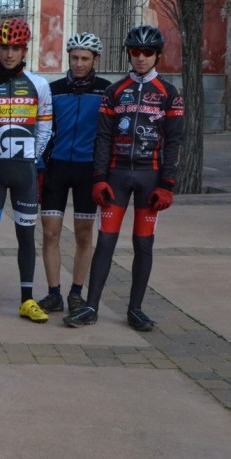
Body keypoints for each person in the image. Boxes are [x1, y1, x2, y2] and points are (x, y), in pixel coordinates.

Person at [65, 25, 184, 331]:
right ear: (128, 54)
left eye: (147, 53)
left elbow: (173, 143)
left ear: (157, 55)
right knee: (105, 241)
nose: (141, 58)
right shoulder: (114, 92)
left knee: (143, 244)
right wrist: (99, 178)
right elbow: (102, 139)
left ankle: (136, 309)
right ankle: (91, 306)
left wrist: (167, 185)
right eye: (135, 52)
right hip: (116, 177)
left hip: (150, 178)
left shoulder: (170, 94)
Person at [0, 18, 53, 324]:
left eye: (15, 48)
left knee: (26, 237)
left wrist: (32, 158)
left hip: (24, 173)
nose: (9, 54)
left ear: (24, 50)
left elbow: (45, 128)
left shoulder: (38, 85)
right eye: (4, 47)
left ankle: (27, 299)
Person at [38, 33, 110, 315]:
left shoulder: (106, 91)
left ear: (96, 60)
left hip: (88, 170)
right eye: (74, 57)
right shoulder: (53, 90)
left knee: (83, 234)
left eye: (85, 58)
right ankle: (54, 293)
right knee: (49, 232)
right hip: (56, 167)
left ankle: (76, 293)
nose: (79, 64)